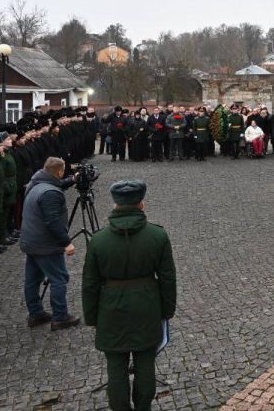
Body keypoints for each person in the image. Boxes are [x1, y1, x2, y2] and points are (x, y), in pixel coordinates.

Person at [82, 180, 176, 411]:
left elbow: (89, 284)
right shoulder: (157, 235)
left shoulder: (98, 240)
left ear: (115, 205)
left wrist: (92, 317)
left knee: (116, 366)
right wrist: (167, 310)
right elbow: (167, 278)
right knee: (145, 363)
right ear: (141, 204)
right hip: (147, 305)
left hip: (110, 307)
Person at [19, 157, 80, 330]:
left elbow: (54, 185)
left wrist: (72, 180)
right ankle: (60, 316)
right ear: (60, 172)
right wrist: (66, 243)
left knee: (32, 279)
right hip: (45, 244)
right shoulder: (50, 193)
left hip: (31, 240)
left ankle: (36, 314)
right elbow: (53, 221)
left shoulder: (36, 182)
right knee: (59, 278)